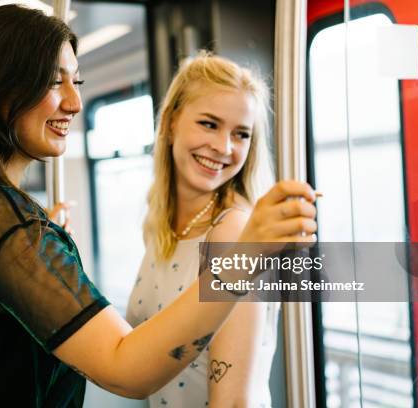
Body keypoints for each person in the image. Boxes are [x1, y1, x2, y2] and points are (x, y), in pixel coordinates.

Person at [0, 5, 318, 407]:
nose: (75, 101)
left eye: (76, 81)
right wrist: (25, 248)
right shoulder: (5, 225)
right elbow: (125, 367)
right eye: (52, 81)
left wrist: (29, 256)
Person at [127, 53, 279, 407]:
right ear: (170, 123)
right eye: (209, 124)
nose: (224, 147)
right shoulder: (159, 223)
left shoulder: (233, 233)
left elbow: (232, 402)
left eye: (241, 134)